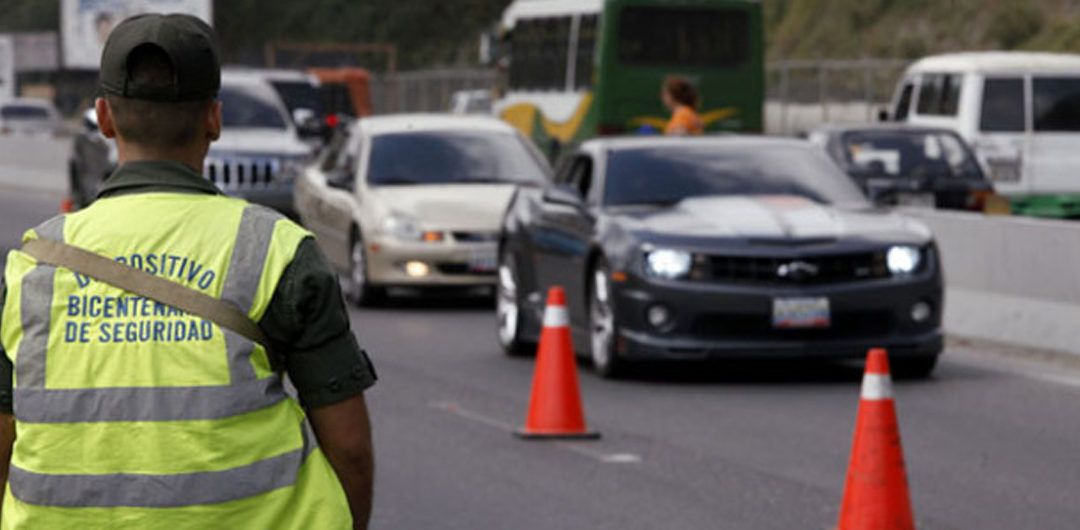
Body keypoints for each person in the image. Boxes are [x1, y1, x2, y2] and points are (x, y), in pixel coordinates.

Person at [0, 14, 376, 529]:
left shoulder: (32, 264)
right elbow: (350, 449)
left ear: (105, 118)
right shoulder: (278, 251)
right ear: (214, 119)